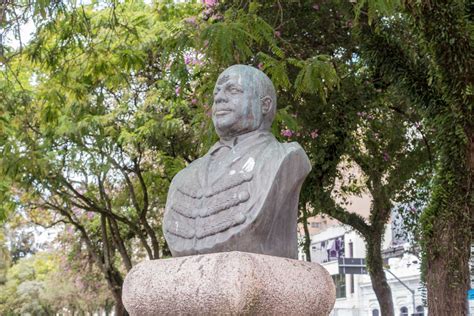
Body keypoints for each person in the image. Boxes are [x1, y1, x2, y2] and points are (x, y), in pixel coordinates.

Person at [163, 64, 311, 258]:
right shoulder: (183, 178)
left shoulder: (285, 158)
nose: (219, 97)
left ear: (265, 105)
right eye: (217, 92)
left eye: (233, 90)